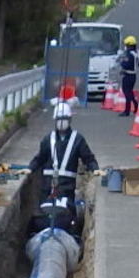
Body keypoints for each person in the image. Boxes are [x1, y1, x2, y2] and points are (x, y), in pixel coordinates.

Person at [30, 100, 100, 234]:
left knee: (66, 214)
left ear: (70, 119)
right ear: (55, 120)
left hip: (67, 188)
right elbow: (39, 158)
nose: (61, 122)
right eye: (59, 119)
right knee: (44, 213)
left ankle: (70, 233)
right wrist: (30, 168)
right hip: (47, 187)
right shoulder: (48, 139)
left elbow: (88, 158)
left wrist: (95, 168)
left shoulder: (77, 139)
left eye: (64, 119)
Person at [117, 35, 139, 116]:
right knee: (129, 92)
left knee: (126, 92)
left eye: (127, 45)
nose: (125, 47)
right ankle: (135, 104)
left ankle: (127, 111)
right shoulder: (137, 53)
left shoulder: (130, 55)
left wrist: (122, 62)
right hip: (133, 75)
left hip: (128, 75)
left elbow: (126, 64)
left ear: (130, 45)